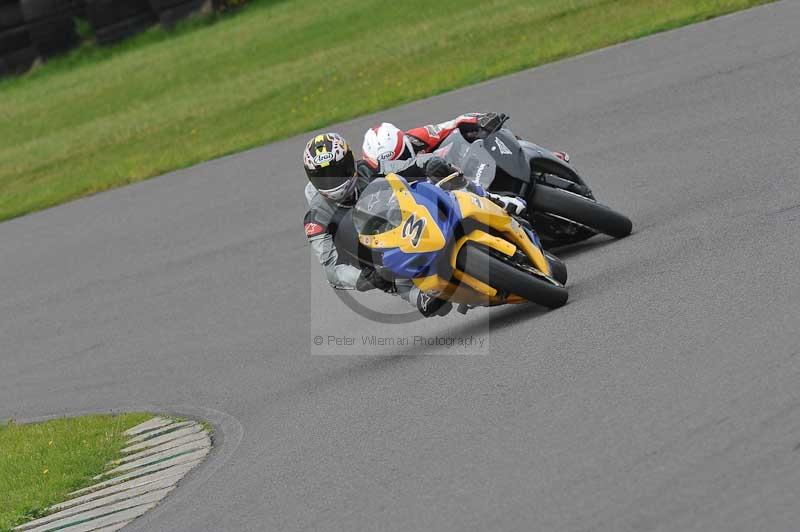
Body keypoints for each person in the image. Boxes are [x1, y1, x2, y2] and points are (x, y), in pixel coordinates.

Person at [303, 132, 455, 317]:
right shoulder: (315, 218)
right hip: (377, 253)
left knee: (441, 186)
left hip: (407, 216)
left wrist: (427, 164)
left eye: (337, 171)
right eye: (323, 178)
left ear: (350, 162)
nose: (333, 181)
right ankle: (415, 295)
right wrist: (362, 279)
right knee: (384, 277)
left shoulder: (367, 167)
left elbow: (404, 166)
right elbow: (332, 268)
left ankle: (494, 201)